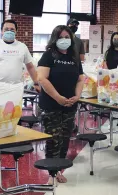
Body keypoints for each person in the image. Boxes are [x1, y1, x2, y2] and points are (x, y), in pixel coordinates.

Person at [37, 25, 84, 184]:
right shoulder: (49, 55)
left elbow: (80, 79)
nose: (64, 40)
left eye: (67, 37)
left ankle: (59, 169)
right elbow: (42, 79)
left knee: (65, 139)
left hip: (70, 105)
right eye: (61, 37)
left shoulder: (74, 57)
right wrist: (57, 97)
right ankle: (51, 173)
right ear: (54, 39)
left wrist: (77, 96)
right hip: (51, 105)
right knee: (53, 139)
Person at [0, 19, 40, 91]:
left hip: (16, 88)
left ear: (16, 31)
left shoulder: (22, 47)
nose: (9, 31)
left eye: (12, 30)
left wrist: (36, 83)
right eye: (6, 29)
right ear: (2, 31)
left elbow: (30, 67)